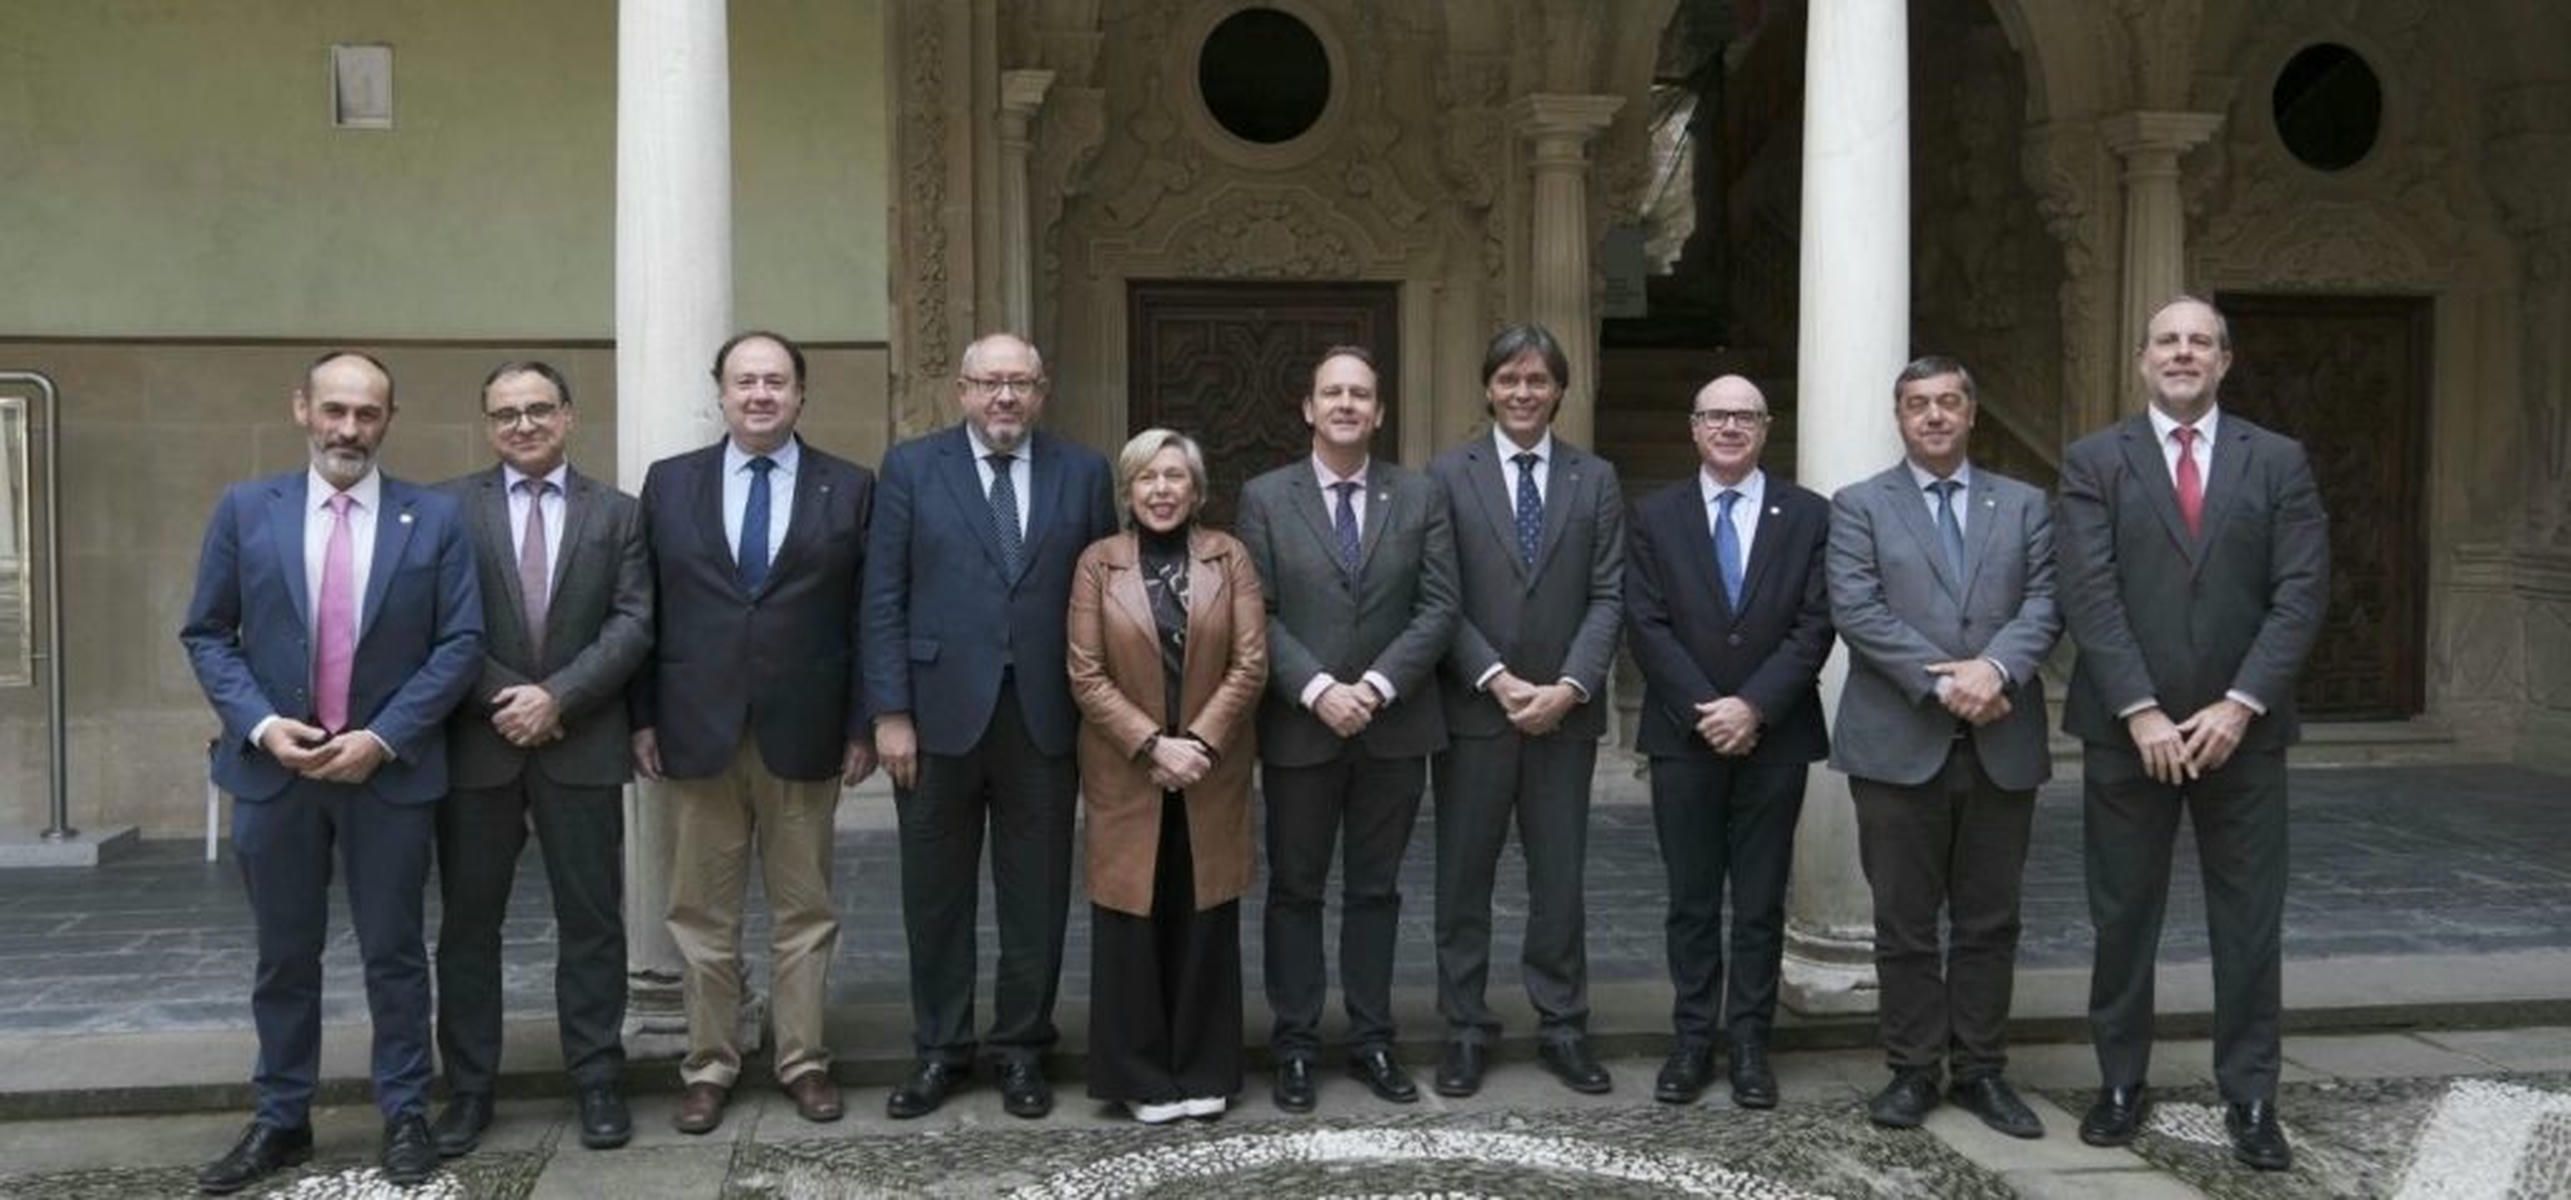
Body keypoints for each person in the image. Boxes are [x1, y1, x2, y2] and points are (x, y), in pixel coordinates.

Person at [179, 351, 483, 1192]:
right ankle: (282, 1118)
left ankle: (406, 1112)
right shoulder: (247, 510)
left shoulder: (435, 518)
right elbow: (208, 633)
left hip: (387, 776)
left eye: (367, 413)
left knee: (395, 953)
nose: (349, 429)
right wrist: (263, 725)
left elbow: (460, 643)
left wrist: (382, 738)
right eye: (335, 410)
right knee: (284, 957)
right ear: (302, 410)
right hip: (275, 773)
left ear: (389, 420)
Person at [2059, 296, 2329, 1171]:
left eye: (2199, 342)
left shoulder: (2277, 461)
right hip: (2125, 734)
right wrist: (2137, 708)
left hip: (2240, 735)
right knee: (2121, 917)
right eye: (2167, 341)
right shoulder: (2093, 461)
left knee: (2247, 922)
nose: (2182, 353)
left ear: (2223, 361)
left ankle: (2249, 1096)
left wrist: (2240, 702)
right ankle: (2118, 1083)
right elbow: (2087, 592)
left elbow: (2300, 593)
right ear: (2142, 359)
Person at [862, 333, 1117, 1119]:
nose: (1005, 397)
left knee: (1035, 896)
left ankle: (1021, 1049)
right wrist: (890, 712)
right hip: (934, 718)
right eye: (989, 383)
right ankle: (940, 1050)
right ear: (962, 391)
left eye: (1020, 383)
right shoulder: (911, 468)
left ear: (1042, 391)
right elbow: (882, 595)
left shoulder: (1083, 472)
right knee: (934, 897)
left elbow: (1104, 596)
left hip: (1044, 717)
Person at [631, 330, 877, 1135]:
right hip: (695, 730)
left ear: (801, 394)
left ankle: (803, 1061)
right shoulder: (670, 484)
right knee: (701, 915)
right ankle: (710, 1063)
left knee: (805, 911)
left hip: (805, 730)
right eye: (745, 382)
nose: (760, 394)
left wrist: (862, 723)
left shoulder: (849, 486)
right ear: (721, 393)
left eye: (776, 381)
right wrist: (642, 716)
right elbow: (644, 610)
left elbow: (866, 615)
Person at [1825, 356, 2061, 1138]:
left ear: (1970, 413)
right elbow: (1856, 608)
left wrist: (1993, 669)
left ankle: (1982, 1070)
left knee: (1990, 919)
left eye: (1948, 402)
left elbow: (2045, 601)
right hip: (1897, 743)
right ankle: (1912, 1069)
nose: (1933, 415)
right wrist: (1945, 683)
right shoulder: (1859, 505)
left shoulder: (2024, 504)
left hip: (2001, 737)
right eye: (1917, 404)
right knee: (1904, 921)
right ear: (1898, 417)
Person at [429, 361, 650, 1156]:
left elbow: (633, 623)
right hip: (477, 747)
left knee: (592, 923)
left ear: (568, 416)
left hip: (579, 742)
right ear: (487, 424)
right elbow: (437, 621)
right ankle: (468, 1091)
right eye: (505, 414)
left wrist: (557, 697)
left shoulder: (618, 514)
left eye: (538, 409)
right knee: (468, 927)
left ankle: (596, 1079)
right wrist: (509, 699)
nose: (522, 425)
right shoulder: (448, 509)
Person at [1236, 344, 1459, 1114]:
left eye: (1359, 394)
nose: (1345, 405)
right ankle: (1295, 1044)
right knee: (1294, 890)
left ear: (1379, 412)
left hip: (1393, 728)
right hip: (1301, 729)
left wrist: (1375, 686)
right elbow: (1256, 612)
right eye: (1331, 392)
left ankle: (1371, 1039)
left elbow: (1439, 607)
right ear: (1308, 408)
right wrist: (1319, 689)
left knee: (1375, 891)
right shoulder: (1265, 498)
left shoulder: (1419, 496)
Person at [1423, 324, 1625, 1098]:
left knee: (1559, 879)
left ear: (1559, 390)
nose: (1522, 392)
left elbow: (1607, 595)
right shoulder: (1447, 475)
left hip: (1563, 716)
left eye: (1537, 380)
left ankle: (1563, 1025)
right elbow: (1437, 595)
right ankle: (1464, 1028)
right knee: (1462, 879)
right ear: (1487, 387)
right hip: (1475, 711)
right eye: (1509, 378)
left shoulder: (1594, 478)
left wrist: (1568, 687)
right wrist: (1497, 679)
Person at [1623, 374, 1831, 1110]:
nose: (1730, 427)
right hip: (1684, 737)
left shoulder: (1808, 515)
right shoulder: (1654, 516)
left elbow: (1816, 623)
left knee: (1760, 901)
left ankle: (1748, 1044)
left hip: (1776, 737)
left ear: (1765, 428)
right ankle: (1691, 1040)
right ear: (1694, 428)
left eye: (1745, 416)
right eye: (1716, 415)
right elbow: (1645, 622)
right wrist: (1707, 710)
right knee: (1690, 899)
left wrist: (1753, 707)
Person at [1065, 429, 1268, 1123]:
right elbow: (1085, 673)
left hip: (1211, 769)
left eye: (1174, 477)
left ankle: (1206, 1067)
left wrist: (1198, 744)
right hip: (1129, 771)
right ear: (1127, 491)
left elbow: (1250, 663)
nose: (1161, 490)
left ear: (1197, 490)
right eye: (1146, 478)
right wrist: (1153, 745)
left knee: (1204, 914)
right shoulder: (1098, 564)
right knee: (1132, 916)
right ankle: (1140, 1075)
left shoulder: (1229, 557)